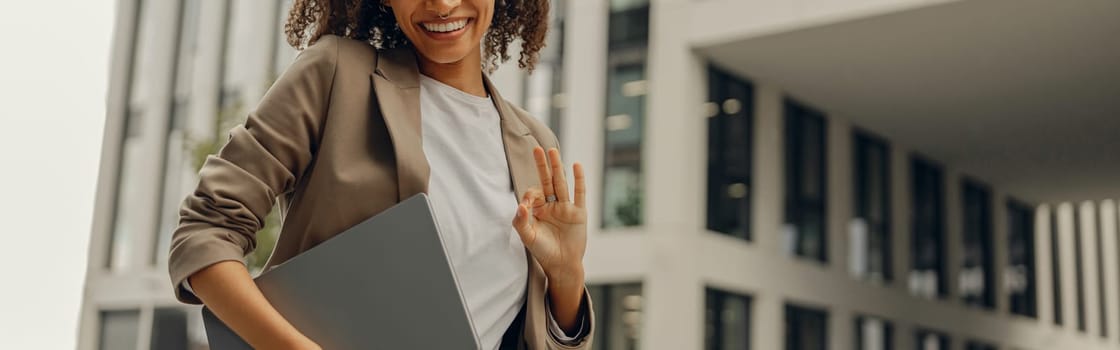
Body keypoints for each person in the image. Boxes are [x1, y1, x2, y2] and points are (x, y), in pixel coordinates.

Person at [166, 0, 594, 348]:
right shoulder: (335, 75)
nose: (442, 5)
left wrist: (566, 274)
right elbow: (203, 234)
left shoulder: (535, 145)